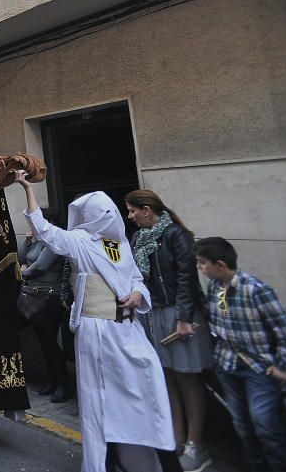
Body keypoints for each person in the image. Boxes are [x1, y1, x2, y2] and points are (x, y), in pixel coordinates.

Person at [14, 172, 173, 472]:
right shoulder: (79, 241)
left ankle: (144, 455)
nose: (113, 216)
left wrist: (138, 294)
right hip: (97, 331)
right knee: (100, 399)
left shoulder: (117, 243)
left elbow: (135, 277)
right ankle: (105, 460)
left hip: (127, 329)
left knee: (144, 387)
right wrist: (28, 189)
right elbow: (45, 230)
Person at [125, 190, 213, 471]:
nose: (131, 217)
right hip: (152, 313)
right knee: (166, 377)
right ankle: (175, 436)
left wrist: (184, 317)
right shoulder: (138, 238)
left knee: (187, 378)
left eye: (132, 211)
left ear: (147, 210)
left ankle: (196, 444)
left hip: (178, 313)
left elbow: (187, 276)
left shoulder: (176, 234)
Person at [194, 237, 286, 471]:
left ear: (220, 264)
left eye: (202, 262)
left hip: (259, 368)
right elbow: (219, 319)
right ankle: (254, 465)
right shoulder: (215, 287)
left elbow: (284, 331)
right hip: (227, 364)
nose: (199, 267)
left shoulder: (256, 290)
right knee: (241, 423)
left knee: (265, 424)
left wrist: (282, 366)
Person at [18, 222, 73, 403]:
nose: (32, 228)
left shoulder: (54, 243)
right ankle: (52, 382)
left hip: (50, 297)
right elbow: (21, 257)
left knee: (50, 342)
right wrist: (27, 241)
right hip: (35, 295)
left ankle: (63, 385)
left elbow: (41, 266)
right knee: (43, 341)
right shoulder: (38, 241)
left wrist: (23, 274)